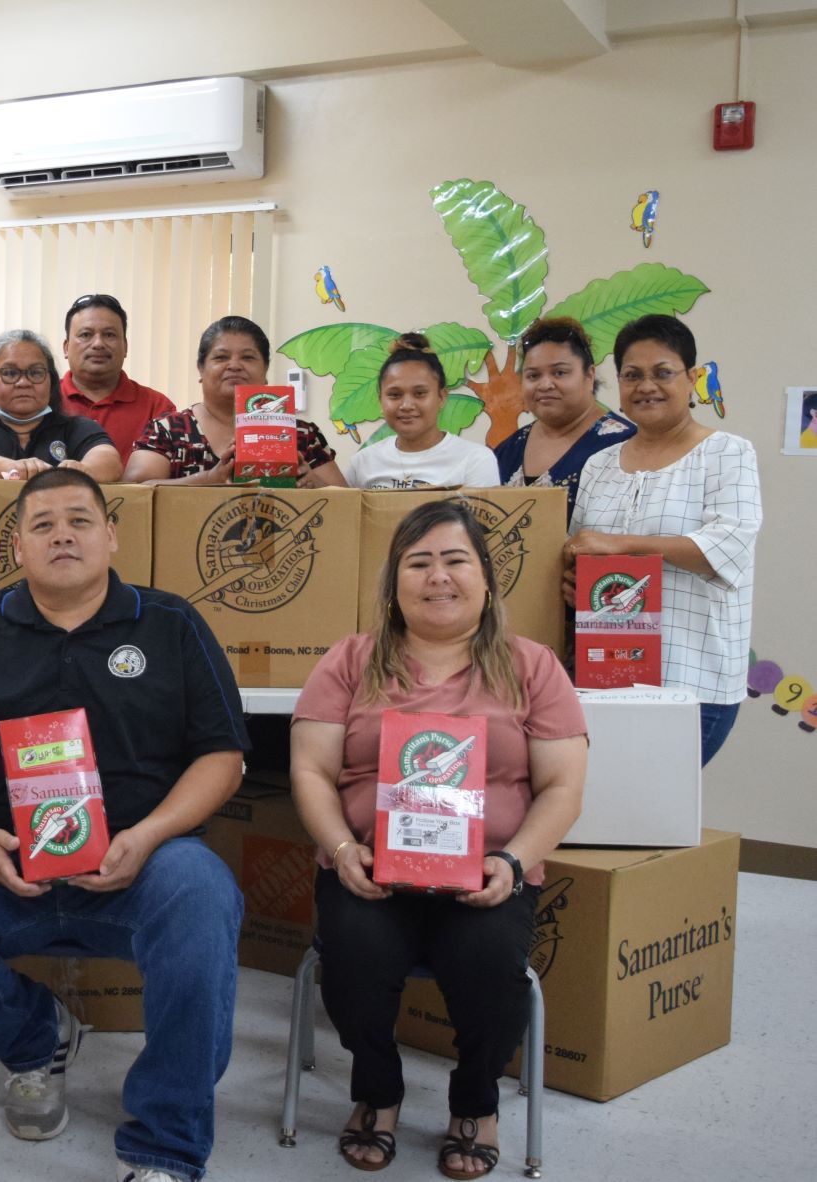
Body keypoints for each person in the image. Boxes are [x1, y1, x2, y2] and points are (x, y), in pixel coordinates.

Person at [0, 468, 249, 1182]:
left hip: (144, 859)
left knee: (202, 901)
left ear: (111, 535)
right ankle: (33, 1039)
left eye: (79, 520)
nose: (62, 536)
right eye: (42, 525)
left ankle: (167, 1145)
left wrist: (149, 835)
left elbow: (222, 758)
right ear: (17, 546)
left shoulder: (171, 625)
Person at [290, 498, 587, 1178]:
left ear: (486, 577)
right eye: (417, 563)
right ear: (393, 583)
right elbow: (310, 770)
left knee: (489, 966)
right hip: (367, 869)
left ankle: (475, 1103)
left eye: (455, 560)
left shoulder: (533, 665)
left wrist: (513, 861)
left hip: (489, 873)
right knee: (354, 958)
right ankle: (377, 1091)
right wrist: (342, 850)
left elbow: (562, 788)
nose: (437, 576)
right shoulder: (350, 660)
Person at [565, 314, 761, 765]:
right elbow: (580, 552)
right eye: (632, 375)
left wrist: (622, 545)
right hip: (606, 678)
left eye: (663, 373)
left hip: (693, 682)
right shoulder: (599, 464)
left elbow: (726, 547)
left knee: (659, 803)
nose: (646, 386)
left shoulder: (727, 453)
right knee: (604, 803)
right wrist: (572, 580)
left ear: (692, 379)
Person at [124, 315, 347, 487]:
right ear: (201, 369)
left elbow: (348, 504)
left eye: (248, 357)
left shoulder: (301, 435)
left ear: (265, 370)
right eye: (221, 357)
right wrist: (209, 479)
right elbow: (136, 489)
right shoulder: (168, 430)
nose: (234, 365)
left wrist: (313, 483)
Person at [491, 316, 633, 518]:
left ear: (589, 376)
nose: (545, 385)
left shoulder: (624, 444)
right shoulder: (508, 450)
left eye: (559, 372)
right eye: (533, 376)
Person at [0, 330, 124, 482]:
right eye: (10, 373)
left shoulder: (76, 427)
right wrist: (15, 468)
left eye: (35, 373)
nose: (23, 382)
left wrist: (82, 471)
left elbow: (110, 461)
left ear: (51, 384)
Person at [338, 334, 500, 489]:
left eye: (420, 393)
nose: (406, 405)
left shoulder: (475, 460)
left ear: (441, 397)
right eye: (394, 395)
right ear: (381, 400)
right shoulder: (362, 463)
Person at [57, 293, 175, 462]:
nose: (98, 343)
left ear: (125, 347)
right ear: (66, 347)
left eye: (109, 335)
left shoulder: (157, 407)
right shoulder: (44, 401)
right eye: (86, 335)